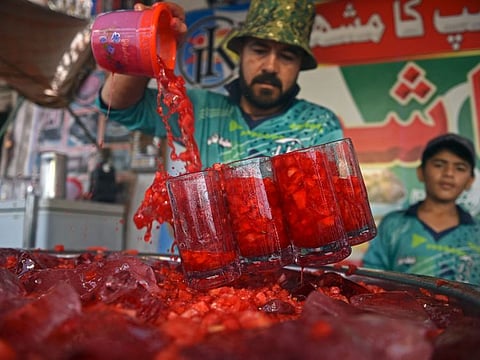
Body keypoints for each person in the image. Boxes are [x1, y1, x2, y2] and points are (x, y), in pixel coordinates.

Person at [95, 0, 344, 168]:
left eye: (287, 56)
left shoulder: (320, 125)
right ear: (240, 54)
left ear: (300, 66)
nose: (270, 66)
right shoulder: (200, 109)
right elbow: (120, 106)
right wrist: (151, 44)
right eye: (259, 50)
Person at [362, 133, 480, 285]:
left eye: (460, 168)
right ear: (421, 172)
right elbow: (371, 280)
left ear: (470, 181)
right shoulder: (394, 225)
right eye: (439, 165)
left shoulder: (476, 233)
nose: (449, 173)